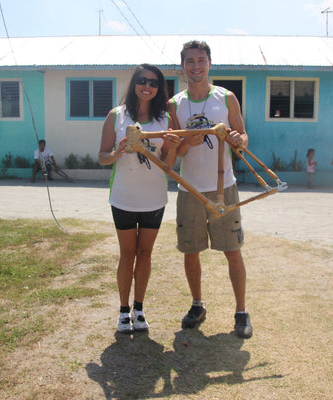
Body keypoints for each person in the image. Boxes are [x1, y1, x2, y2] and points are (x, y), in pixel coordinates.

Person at [167, 40, 252, 339]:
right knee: (191, 251)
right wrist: (185, 142)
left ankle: (241, 311)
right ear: (183, 66)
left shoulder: (226, 98)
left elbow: (242, 135)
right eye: (190, 61)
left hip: (223, 187)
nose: (195, 66)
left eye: (201, 60)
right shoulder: (175, 104)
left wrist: (238, 140)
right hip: (190, 189)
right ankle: (197, 305)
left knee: (232, 250)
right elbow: (174, 153)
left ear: (209, 63)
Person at [98, 64, 180, 334]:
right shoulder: (116, 116)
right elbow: (102, 157)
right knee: (127, 254)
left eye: (154, 83)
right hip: (123, 197)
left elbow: (169, 165)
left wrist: (175, 145)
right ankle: (123, 311)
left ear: (159, 88)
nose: (147, 86)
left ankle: (139, 308)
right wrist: (118, 152)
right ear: (134, 84)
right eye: (142, 81)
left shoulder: (165, 121)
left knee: (145, 254)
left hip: (153, 199)